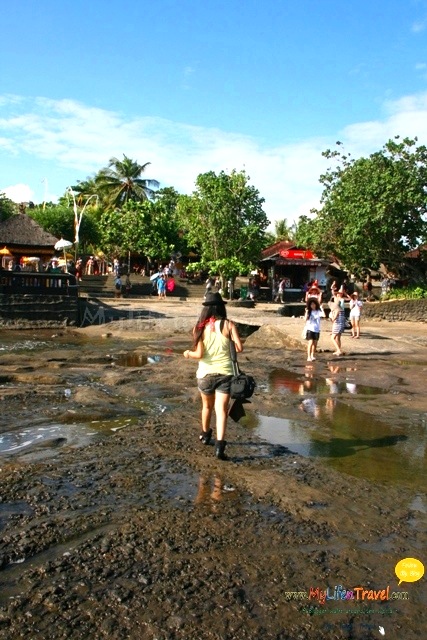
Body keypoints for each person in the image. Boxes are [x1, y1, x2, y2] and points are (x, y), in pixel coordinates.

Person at [183, 291, 243, 460]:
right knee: (221, 410)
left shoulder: (199, 328)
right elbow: (239, 348)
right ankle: (220, 446)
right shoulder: (229, 325)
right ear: (221, 307)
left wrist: (188, 353)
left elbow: (199, 354)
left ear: (206, 310)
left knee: (207, 407)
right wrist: (229, 340)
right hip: (226, 374)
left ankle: (205, 434)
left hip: (205, 374)